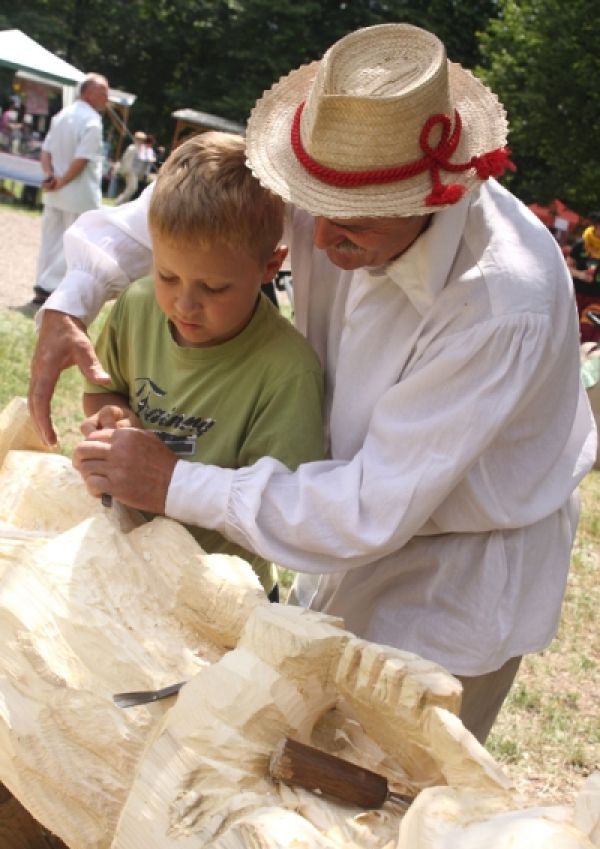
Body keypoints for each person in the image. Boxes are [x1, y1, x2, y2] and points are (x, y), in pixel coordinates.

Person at [29, 24, 596, 744]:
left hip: (453, 576)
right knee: (278, 761)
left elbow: (370, 508)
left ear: (435, 198)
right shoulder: (325, 168)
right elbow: (173, 213)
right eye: (309, 208)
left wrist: (175, 482)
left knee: (378, 806)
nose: (314, 243)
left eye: (352, 229)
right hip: (333, 530)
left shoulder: (496, 302)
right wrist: (71, 298)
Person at [80, 131, 325, 600]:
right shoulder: (137, 305)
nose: (184, 305)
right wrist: (113, 417)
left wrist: (170, 480)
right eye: (167, 275)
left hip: (223, 595)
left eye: (214, 288)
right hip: (123, 567)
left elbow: (280, 508)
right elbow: (103, 387)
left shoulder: (288, 371)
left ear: (271, 266)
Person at [31, 73, 109, 306]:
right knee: (76, 241)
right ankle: (50, 286)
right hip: (78, 193)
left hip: (55, 191)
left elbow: (46, 151)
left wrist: (50, 178)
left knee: (50, 239)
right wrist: (61, 180)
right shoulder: (92, 120)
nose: (107, 97)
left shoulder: (61, 116)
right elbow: (82, 159)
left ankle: (41, 284)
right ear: (88, 93)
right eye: (103, 92)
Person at [566, 211, 600, 343]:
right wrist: (580, 274)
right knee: (569, 328)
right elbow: (566, 268)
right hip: (576, 295)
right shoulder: (581, 244)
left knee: (587, 331)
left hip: (597, 299)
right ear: (596, 226)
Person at [113, 131, 147, 205]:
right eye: (140, 139)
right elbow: (124, 159)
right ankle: (119, 202)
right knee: (132, 187)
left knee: (131, 188)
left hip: (132, 171)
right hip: (129, 171)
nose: (141, 142)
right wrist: (122, 170)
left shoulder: (138, 149)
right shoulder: (132, 148)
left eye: (142, 140)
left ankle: (122, 202)